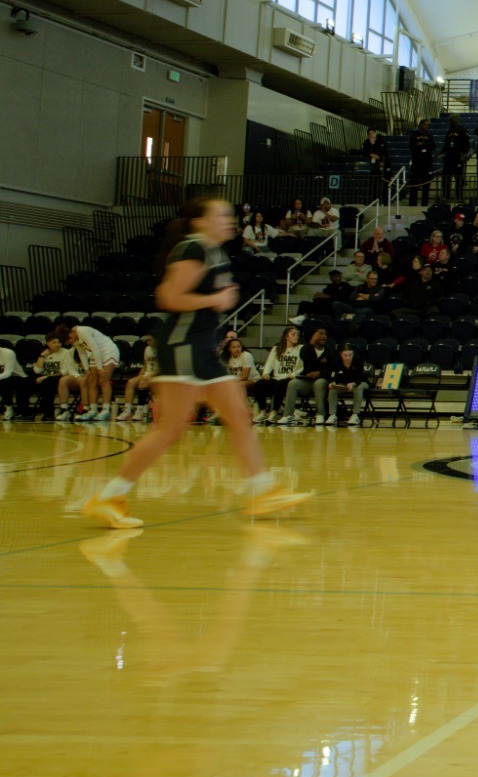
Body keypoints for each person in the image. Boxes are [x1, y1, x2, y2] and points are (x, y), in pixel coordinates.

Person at [79, 196, 312, 529]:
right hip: (182, 345)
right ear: (200, 221)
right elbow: (169, 297)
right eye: (221, 214)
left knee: (236, 414)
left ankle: (263, 491)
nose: (229, 219)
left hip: (199, 348)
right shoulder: (192, 249)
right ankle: (109, 496)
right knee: (172, 428)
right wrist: (216, 299)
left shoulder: (211, 250)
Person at [293, 328, 336, 425]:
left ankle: (320, 414)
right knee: (292, 383)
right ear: (313, 336)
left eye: (325, 334)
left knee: (319, 383)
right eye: (320, 334)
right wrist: (312, 343)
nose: (324, 336)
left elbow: (332, 370)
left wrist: (319, 373)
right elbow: (307, 366)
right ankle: (288, 415)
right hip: (307, 381)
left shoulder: (330, 352)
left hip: (323, 380)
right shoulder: (306, 349)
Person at [321, 343, 370, 427]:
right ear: (341, 354)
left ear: (353, 354)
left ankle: (355, 415)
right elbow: (334, 375)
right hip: (344, 384)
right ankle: (332, 415)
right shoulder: (336, 361)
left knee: (358, 388)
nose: (348, 358)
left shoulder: (358, 361)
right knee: (333, 389)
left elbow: (360, 377)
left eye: (350, 355)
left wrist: (353, 383)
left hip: (360, 383)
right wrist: (333, 382)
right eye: (345, 355)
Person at [117, 340, 156, 422]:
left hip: (157, 375)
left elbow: (163, 368)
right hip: (147, 374)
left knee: (143, 383)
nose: (148, 342)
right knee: (131, 382)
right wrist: (139, 377)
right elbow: (145, 365)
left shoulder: (162, 349)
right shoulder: (147, 349)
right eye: (147, 340)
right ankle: (127, 411)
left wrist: (150, 376)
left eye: (150, 340)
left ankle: (140, 411)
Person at [443, 115, 471, 200]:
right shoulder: (449, 131)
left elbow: (467, 144)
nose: (451, 121)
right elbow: (446, 144)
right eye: (450, 120)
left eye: (452, 120)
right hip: (448, 158)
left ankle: (459, 196)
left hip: (458, 157)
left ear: (457, 120)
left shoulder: (463, 130)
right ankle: (446, 196)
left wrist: (464, 154)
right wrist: (442, 153)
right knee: (447, 177)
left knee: (458, 178)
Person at [408, 118, 434, 204]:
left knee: (426, 186)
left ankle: (424, 204)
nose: (426, 126)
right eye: (425, 124)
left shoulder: (429, 135)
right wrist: (420, 147)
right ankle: (412, 204)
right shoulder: (414, 135)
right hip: (416, 163)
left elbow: (433, 146)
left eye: (427, 125)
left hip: (426, 164)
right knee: (414, 185)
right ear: (420, 125)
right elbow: (412, 147)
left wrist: (424, 145)